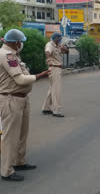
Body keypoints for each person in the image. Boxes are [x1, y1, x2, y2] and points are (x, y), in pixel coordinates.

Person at [0, 29, 50, 181]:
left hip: (21, 98)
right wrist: (39, 76)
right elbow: (20, 80)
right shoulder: (6, 55)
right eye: (20, 42)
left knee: (22, 134)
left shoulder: (13, 55)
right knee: (10, 137)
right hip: (11, 99)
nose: (21, 45)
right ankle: (6, 171)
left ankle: (19, 161)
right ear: (16, 43)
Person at [42, 32, 68, 117]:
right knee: (56, 90)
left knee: (52, 89)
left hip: (57, 68)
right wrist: (49, 59)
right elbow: (47, 52)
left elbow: (66, 52)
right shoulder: (50, 45)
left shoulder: (58, 46)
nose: (60, 41)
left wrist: (64, 49)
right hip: (54, 68)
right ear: (56, 39)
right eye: (60, 39)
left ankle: (46, 108)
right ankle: (56, 111)